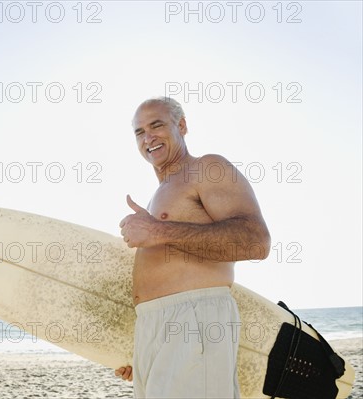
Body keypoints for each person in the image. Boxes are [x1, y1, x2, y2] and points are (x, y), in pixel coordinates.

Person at [115, 97, 271, 398]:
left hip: (194, 319)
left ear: (182, 126)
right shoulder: (159, 194)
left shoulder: (206, 169)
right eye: (139, 132)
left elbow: (256, 241)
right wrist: (143, 349)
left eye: (156, 125)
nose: (148, 137)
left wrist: (157, 230)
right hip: (154, 329)